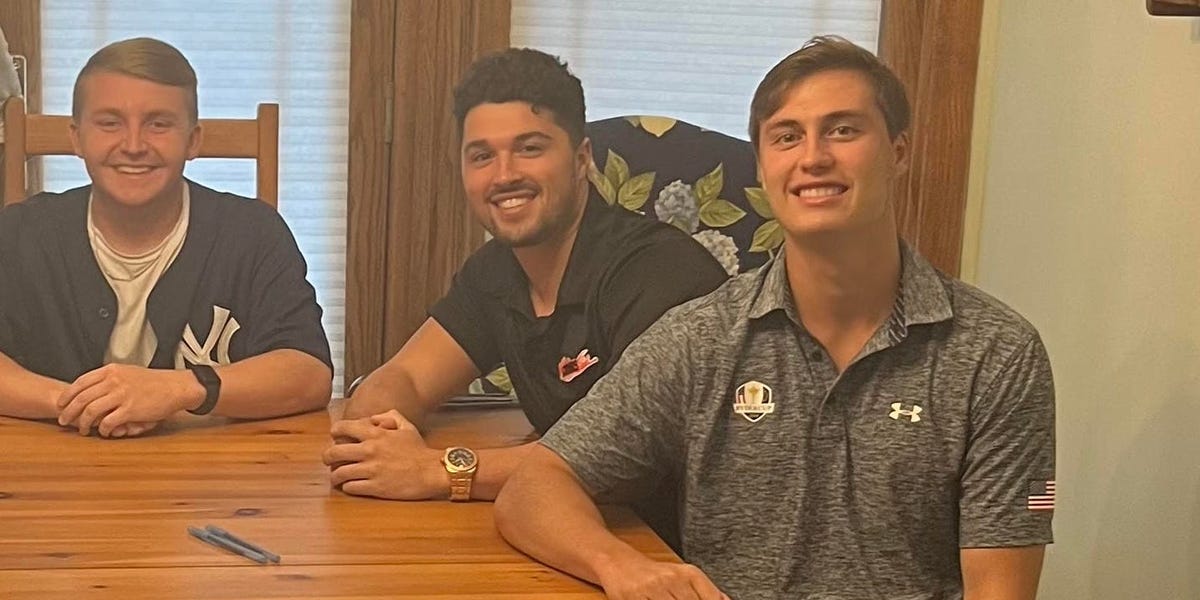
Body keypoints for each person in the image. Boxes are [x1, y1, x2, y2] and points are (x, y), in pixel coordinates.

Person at [494, 36, 1056, 600]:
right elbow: (534, 487)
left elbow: (999, 589)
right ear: (763, 168)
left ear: (898, 151)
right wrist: (623, 567)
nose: (813, 158)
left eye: (843, 130)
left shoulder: (996, 354)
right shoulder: (701, 339)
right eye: (787, 137)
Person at [323, 48, 727, 538]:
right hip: (580, 535)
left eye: (530, 148)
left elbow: (623, 458)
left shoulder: (657, 273)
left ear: (581, 159)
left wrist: (436, 469)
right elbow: (406, 375)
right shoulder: (497, 271)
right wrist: (375, 437)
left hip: (684, 552)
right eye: (482, 156)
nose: (504, 175)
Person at [0, 37, 333, 438]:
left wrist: (179, 390)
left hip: (213, 469)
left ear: (192, 141)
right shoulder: (19, 234)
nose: (134, 146)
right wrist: (82, 402)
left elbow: (308, 373)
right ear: (76, 139)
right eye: (109, 123)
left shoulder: (254, 234)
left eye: (158, 124)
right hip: (53, 466)